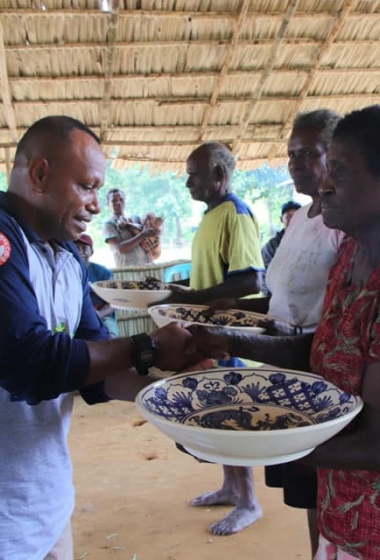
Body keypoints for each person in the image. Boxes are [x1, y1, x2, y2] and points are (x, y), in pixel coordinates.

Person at [188, 104, 380, 560]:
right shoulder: (355, 252)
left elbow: (376, 446)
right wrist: (231, 341)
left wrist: (247, 442)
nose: (323, 184)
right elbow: (327, 348)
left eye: (339, 170)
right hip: (348, 505)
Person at [0, 116, 196, 560]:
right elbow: (30, 365)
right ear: (40, 174)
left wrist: (181, 394)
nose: (96, 205)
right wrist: (149, 346)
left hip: (45, 502)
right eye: (86, 186)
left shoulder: (67, 258)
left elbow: (95, 373)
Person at [205, 109, 344, 556]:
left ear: (336, 156)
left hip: (321, 368)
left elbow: (335, 317)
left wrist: (235, 337)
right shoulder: (301, 218)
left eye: (308, 153)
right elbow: (279, 296)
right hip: (286, 365)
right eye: (291, 154)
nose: (295, 162)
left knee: (328, 482)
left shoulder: (343, 224)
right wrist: (236, 309)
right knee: (309, 489)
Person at [157, 141, 265, 536]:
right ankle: (230, 487)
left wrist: (189, 298)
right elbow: (215, 277)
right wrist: (184, 288)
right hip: (210, 334)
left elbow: (249, 279)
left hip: (230, 337)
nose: (187, 183)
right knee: (217, 412)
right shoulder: (212, 216)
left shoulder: (236, 214)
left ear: (219, 176)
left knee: (233, 414)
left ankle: (249, 501)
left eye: (193, 175)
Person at [74, 233, 120, 337]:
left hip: (102, 316)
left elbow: (114, 301)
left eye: (84, 248)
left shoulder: (103, 272)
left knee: (110, 337)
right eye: (76, 248)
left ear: (91, 252)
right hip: (77, 318)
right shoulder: (66, 273)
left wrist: (99, 314)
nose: (80, 252)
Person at [102, 188, 161, 267]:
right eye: (114, 201)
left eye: (121, 199)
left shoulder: (136, 219)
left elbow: (154, 253)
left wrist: (154, 231)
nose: (118, 202)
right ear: (108, 204)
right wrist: (142, 235)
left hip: (148, 267)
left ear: (125, 200)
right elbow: (121, 249)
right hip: (128, 270)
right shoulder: (108, 224)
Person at [261, 200, 302, 296]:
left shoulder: (311, 242)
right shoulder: (271, 246)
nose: (293, 220)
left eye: (297, 217)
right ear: (281, 219)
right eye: (289, 217)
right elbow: (263, 275)